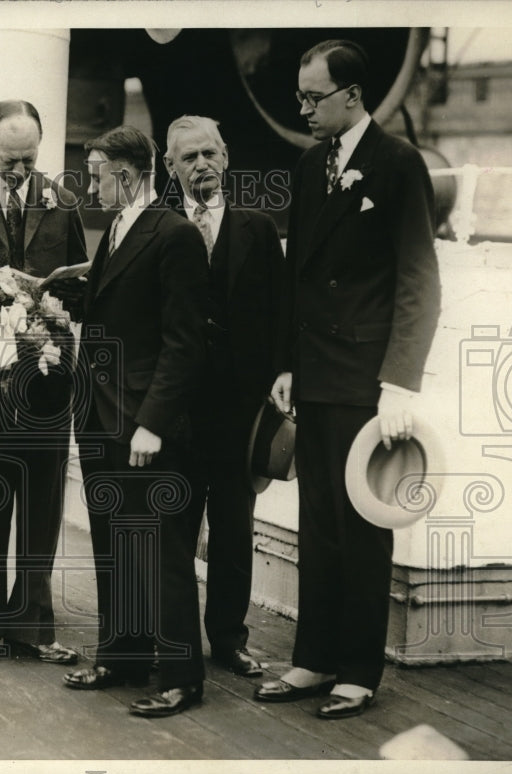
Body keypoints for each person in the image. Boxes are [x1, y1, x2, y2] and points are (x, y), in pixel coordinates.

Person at [257, 40, 440, 719]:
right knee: (317, 523)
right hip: (314, 375)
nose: (302, 108)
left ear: (353, 95)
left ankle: (358, 670)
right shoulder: (309, 168)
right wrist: (284, 362)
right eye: (301, 96)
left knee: (363, 525)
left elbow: (420, 279)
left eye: (313, 97)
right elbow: (295, 277)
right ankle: (313, 657)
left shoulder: (397, 164)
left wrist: (399, 382)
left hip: (368, 381)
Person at [63, 125, 211, 718]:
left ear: (126, 174)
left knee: (161, 551)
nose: (89, 184)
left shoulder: (173, 234)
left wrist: (154, 422)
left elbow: (185, 342)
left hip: (144, 424)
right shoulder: (120, 230)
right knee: (113, 545)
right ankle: (121, 655)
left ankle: (181, 676)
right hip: (101, 418)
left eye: (97, 174)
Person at [0, 99, 88, 667]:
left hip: (48, 372)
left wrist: (52, 300)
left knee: (43, 495)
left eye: (30, 160)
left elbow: (80, 283)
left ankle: (33, 624)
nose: (21, 173)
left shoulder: (63, 201)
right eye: (10, 162)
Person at [162, 115, 285, 679]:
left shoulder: (259, 229)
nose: (201, 165)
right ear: (170, 168)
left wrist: (286, 371)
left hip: (241, 409)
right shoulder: (160, 230)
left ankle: (228, 640)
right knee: (178, 529)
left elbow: (285, 311)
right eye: (188, 158)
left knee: (235, 529)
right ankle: (177, 639)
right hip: (179, 411)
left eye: (209, 152)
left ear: (227, 156)